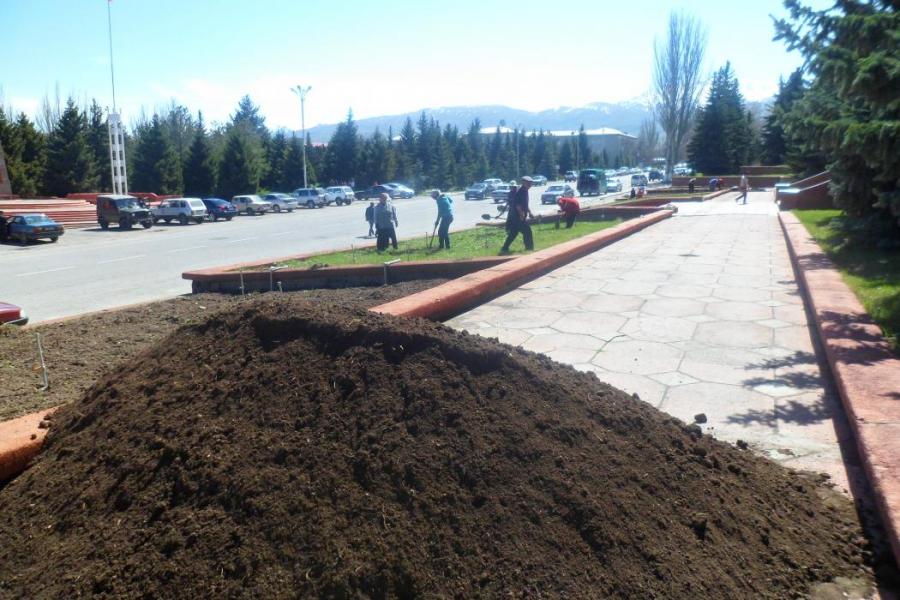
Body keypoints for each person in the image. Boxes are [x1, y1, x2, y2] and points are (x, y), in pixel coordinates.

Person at [501, 176, 534, 253]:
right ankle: (529, 249)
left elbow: (525, 204)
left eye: (531, 183)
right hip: (517, 216)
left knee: (513, 233)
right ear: (523, 183)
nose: (530, 185)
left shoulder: (525, 190)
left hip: (516, 217)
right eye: (528, 183)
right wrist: (521, 214)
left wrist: (530, 212)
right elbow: (518, 205)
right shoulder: (521, 191)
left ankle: (504, 248)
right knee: (527, 231)